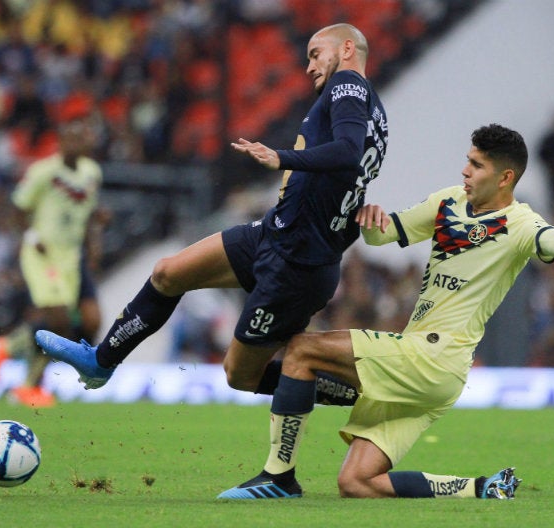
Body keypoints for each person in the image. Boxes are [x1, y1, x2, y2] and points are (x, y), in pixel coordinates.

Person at [218, 124, 554, 500]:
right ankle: (484, 488)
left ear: (505, 178)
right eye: (467, 159)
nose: (465, 170)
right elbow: (382, 235)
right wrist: (370, 216)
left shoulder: (519, 222)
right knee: (356, 483)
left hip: (433, 358)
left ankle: (278, 478)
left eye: (477, 164)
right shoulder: (448, 202)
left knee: (303, 350)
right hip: (432, 371)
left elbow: (549, 241)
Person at [35, 23, 388, 406]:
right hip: (274, 234)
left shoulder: (347, 86)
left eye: (315, 54)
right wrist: (356, 212)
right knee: (168, 273)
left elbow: (348, 153)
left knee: (240, 374)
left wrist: (280, 157)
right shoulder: (376, 113)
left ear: (348, 48)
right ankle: (100, 362)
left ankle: (361, 390)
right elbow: (348, 177)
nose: (308, 66)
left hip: (296, 260)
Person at [0, 103, 105, 408]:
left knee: (83, 323)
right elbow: (18, 207)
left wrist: (94, 243)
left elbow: (88, 214)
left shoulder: (92, 173)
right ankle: (26, 377)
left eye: (84, 137)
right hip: (43, 253)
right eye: (72, 137)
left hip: (71, 255)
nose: (79, 143)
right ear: (61, 141)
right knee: (59, 319)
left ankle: (11, 353)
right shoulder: (43, 172)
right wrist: (32, 235)